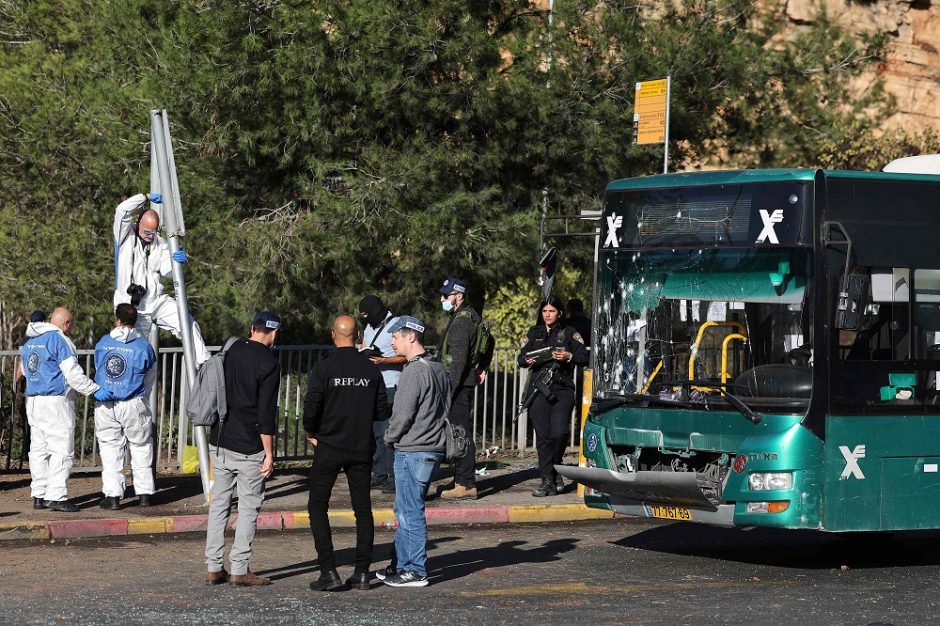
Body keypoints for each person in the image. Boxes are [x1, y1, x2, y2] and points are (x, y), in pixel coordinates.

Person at [304, 315, 389, 592]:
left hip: (328, 445)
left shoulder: (324, 369)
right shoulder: (371, 370)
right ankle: (362, 572)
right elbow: (381, 412)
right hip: (361, 446)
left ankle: (328, 571)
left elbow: (312, 405)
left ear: (333, 335)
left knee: (318, 506)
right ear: (358, 335)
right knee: (362, 509)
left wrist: (311, 431)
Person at [204, 311, 281, 587]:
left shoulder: (231, 348)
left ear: (252, 329)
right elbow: (266, 413)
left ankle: (213, 567)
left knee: (219, 505)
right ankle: (239, 568)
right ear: (273, 333)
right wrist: (269, 453)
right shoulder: (269, 362)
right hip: (249, 446)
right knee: (248, 508)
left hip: (221, 440)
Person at [379, 316, 449, 588]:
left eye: (395, 336)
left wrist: (389, 437)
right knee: (406, 508)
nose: (392, 341)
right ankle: (399, 564)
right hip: (431, 447)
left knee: (410, 511)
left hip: (413, 450)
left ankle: (415, 570)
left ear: (411, 337)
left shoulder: (413, 371)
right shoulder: (436, 367)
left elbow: (402, 414)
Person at [20, 307, 108, 512]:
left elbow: (25, 370)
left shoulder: (31, 341)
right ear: (66, 324)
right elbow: (73, 375)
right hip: (55, 401)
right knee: (61, 449)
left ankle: (39, 494)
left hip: (34, 401)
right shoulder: (60, 340)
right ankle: (57, 496)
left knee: (39, 450)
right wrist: (94, 390)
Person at [112, 192, 210, 366]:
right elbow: (122, 210)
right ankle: (134, 390)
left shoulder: (160, 243)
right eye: (148, 231)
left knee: (187, 322)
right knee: (136, 355)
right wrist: (146, 197)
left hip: (155, 301)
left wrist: (177, 261)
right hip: (131, 306)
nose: (151, 235)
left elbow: (167, 271)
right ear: (138, 224)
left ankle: (204, 363)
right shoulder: (125, 236)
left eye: (155, 231)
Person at [517, 295, 589, 497]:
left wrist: (569, 356)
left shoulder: (569, 333)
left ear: (559, 313)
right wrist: (528, 359)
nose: (548, 315)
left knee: (559, 434)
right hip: (538, 389)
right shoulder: (534, 333)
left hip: (562, 389)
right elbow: (520, 358)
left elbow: (585, 356)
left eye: (552, 311)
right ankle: (547, 480)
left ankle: (555, 468)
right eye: (545, 311)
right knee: (543, 436)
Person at [93, 304, 158, 510]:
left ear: (117, 319)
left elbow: (98, 367)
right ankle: (145, 494)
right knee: (141, 447)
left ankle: (113, 496)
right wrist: (141, 395)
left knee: (110, 449)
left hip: (107, 404)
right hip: (133, 403)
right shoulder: (144, 346)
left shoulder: (103, 343)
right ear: (135, 321)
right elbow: (150, 376)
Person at [436, 277, 483, 500]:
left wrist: (447, 392)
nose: (442, 299)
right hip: (463, 384)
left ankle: (465, 483)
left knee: (460, 433)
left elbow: (457, 362)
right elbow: (488, 341)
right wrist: (481, 367)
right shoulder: (470, 315)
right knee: (458, 431)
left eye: (446, 295)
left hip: (458, 386)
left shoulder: (462, 321)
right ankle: (461, 478)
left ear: (458, 295)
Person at [358, 295, 406, 493]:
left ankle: (394, 477)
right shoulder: (369, 326)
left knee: (390, 433)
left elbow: (405, 356)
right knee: (376, 432)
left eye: (368, 314)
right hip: (373, 387)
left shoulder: (397, 325)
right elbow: (363, 346)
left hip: (391, 387)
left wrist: (384, 360)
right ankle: (379, 474)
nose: (366, 318)